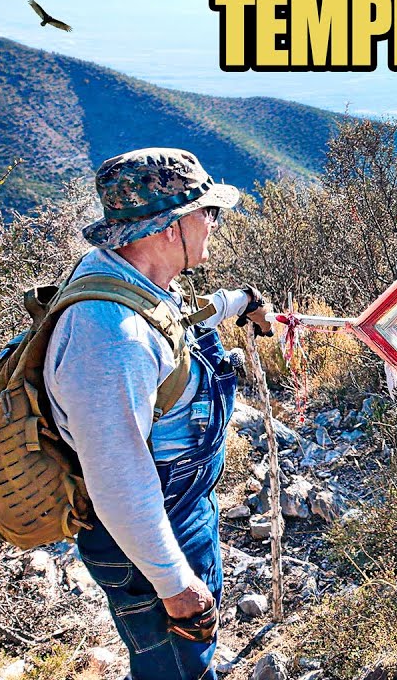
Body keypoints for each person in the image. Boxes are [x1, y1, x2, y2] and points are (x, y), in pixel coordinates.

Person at [45, 148, 274, 679]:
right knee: (174, 668)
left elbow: (176, 321)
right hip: (148, 532)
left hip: (180, 509)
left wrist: (241, 301)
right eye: (207, 213)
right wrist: (174, 584)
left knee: (187, 660)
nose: (213, 224)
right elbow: (118, 478)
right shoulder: (111, 338)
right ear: (170, 228)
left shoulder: (129, 277)